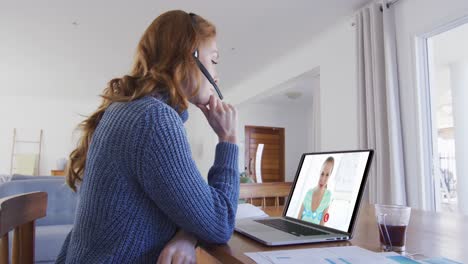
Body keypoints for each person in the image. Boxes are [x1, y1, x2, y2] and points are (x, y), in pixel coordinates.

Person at [56, 10, 239, 264]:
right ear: (189, 56)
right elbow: (220, 223)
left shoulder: (130, 110)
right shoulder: (155, 121)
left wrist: (187, 234)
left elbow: (187, 207)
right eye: (214, 60)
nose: (216, 75)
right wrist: (228, 139)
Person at [297, 157, 334, 225]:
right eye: (322, 174)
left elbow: (322, 226)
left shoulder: (328, 196)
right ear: (319, 172)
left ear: (330, 176)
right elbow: (297, 221)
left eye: (327, 175)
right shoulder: (309, 193)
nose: (323, 179)